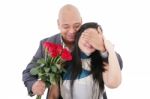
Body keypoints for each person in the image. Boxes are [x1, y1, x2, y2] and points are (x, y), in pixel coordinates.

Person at [22, 4, 122, 99]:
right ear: (58, 24)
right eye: (66, 27)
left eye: (76, 26)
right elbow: (28, 73)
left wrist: (103, 48)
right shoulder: (47, 44)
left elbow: (118, 63)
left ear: (81, 22)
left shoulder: (89, 41)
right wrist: (34, 85)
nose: (72, 31)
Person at [59, 22, 123, 99]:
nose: (90, 43)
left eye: (95, 39)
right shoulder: (63, 60)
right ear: (78, 37)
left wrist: (104, 48)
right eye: (86, 36)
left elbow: (113, 83)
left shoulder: (105, 59)